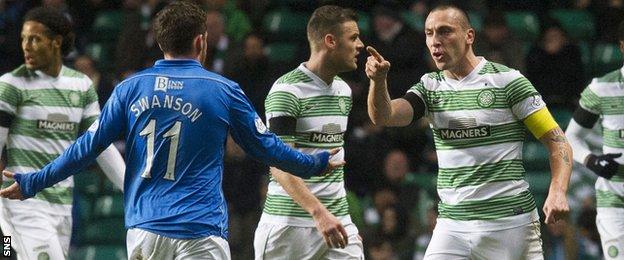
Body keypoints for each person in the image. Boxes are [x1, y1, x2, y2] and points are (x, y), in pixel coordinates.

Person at [0, 2, 342, 259]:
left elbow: (85, 148)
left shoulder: (129, 89)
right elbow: (267, 148)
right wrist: (314, 164)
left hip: (145, 233)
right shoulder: (222, 90)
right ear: (200, 42)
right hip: (200, 232)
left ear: (161, 41)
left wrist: (33, 181)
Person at [365, 5, 572, 259]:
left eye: (444, 32)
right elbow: (384, 116)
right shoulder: (430, 87)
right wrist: (377, 82)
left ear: (469, 36)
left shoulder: (508, 82)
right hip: (453, 225)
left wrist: (558, 190)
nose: (435, 41)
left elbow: (557, 141)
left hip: (509, 223)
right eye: (429, 33)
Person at [0, 7, 126, 259]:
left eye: (35, 38)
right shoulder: (10, 86)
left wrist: (130, 186)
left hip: (62, 205)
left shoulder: (80, 86)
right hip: (22, 204)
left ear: (56, 42)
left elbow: (100, 144)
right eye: (24, 38)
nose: (26, 45)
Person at [253, 5, 365, 259]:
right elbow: (279, 164)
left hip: (336, 221)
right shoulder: (287, 91)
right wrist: (318, 212)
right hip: (288, 226)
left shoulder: (344, 91)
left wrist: (343, 218)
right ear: (330, 41)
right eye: (353, 38)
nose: (360, 45)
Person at [565, 20, 624, 260]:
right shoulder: (602, 88)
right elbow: (570, 138)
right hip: (615, 198)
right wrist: (591, 160)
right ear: (622, 46)